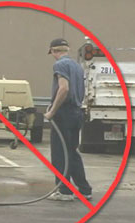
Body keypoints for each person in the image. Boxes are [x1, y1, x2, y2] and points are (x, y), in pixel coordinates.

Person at [44, 38, 92, 201]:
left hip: (63, 113)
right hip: (77, 112)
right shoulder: (77, 67)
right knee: (72, 152)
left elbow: (63, 89)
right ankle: (84, 189)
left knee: (60, 153)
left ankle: (64, 191)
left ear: (54, 51)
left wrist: (52, 111)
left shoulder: (60, 65)